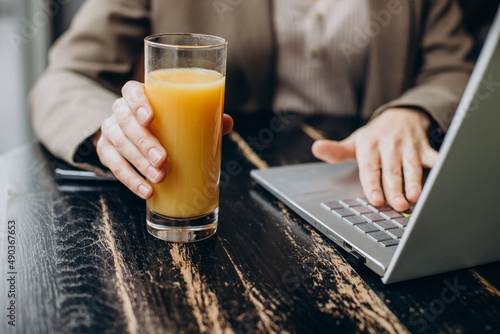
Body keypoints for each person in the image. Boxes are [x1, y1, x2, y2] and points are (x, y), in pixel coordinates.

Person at [30, 0, 474, 212]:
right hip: (223, 196)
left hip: (363, 192)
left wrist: (412, 111)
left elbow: (458, 70)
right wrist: (108, 129)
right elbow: (65, 78)